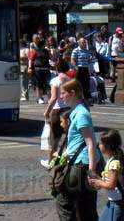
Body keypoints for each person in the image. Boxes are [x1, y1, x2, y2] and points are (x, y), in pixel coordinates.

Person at [55, 78, 100, 221]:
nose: (61, 97)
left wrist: (92, 171)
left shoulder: (81, 114)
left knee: (64, 202)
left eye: (63, 93)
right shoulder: (77, 111)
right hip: (81, 162)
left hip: (82, 165)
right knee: (85, 207)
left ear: (72, 93)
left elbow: (90, 143)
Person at [88, 129, 123, 221]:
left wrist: (98, 182)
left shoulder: (114, 163)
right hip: (113, 201)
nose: (98, 145)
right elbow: (110, 181)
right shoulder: (112, 159)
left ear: (107, 146)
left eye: (100, 143)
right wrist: (97, 178)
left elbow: (111, 185)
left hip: (117, 203)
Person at [43, 60, 71, 163]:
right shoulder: (70, 80)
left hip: (57, 110)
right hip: (68, 109)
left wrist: (47, 111)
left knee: (55, 139)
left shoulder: (55, 81)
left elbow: (54, 98)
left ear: (57, 68)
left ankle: (51, 161)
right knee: (68, 137)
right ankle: (68, 159)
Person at [71, 37, 95, 102]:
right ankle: (76, 98)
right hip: (79, 68)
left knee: (86, 84)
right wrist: (76, 67)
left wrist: (91, 57)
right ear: (79, 43)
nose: (84, 43)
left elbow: (88, 61)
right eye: (83, 42)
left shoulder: (86, 51)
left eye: (85, 42)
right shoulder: (75, 50)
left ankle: (85, 99)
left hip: (85, 68)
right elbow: (72, 60)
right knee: (78, 83)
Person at [29, 35, 51, 104]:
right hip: (38, 69)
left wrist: (49, 51)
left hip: (46, 69)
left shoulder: (46, 51)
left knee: (48, 84)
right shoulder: (34, 50)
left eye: (44, 44)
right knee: (39, 85)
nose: (44, 46)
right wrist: (30, 68)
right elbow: (30, 59)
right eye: (42, 44)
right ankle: (39, 98)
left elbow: (51, 58)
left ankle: (50, 98)